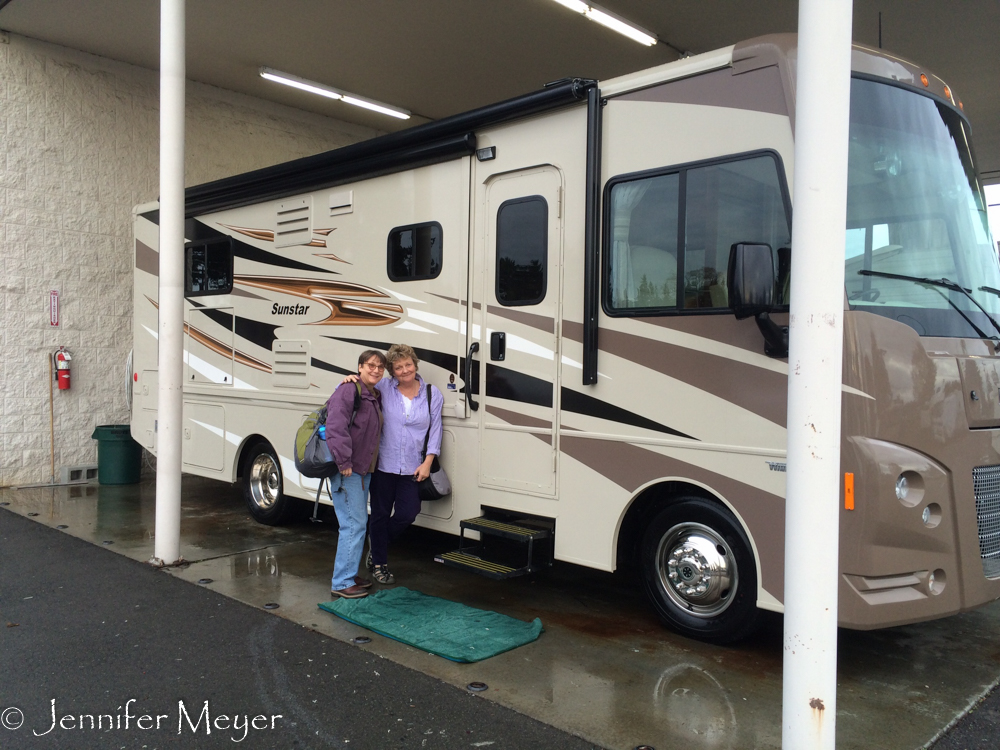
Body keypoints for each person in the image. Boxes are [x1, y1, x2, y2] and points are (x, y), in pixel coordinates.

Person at [344, 344, 443, 584]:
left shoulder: (431, 393)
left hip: (413, 466)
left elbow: (436, 429)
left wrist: (428, 461)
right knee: (379, 514)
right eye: (398, 367)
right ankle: (379, 563)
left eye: (408, 364)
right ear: (392, 371)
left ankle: (377, 544)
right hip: (383, 464)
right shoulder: (384, 387)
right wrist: (349, 380)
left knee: (408, 513)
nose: (404, 370)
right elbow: (361, 385)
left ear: (415, 364)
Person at [324, 349, 386, 599]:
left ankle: (348, 573)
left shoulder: (372, 394)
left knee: (357, 523)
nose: (376, 370)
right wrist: (344, 461)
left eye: (380, 367)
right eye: (370, 365)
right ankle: (341, 582)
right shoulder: (349, 390)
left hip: (362, 470)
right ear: (360, 367)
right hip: (349, 469)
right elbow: (335, 427)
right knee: (353, 524)